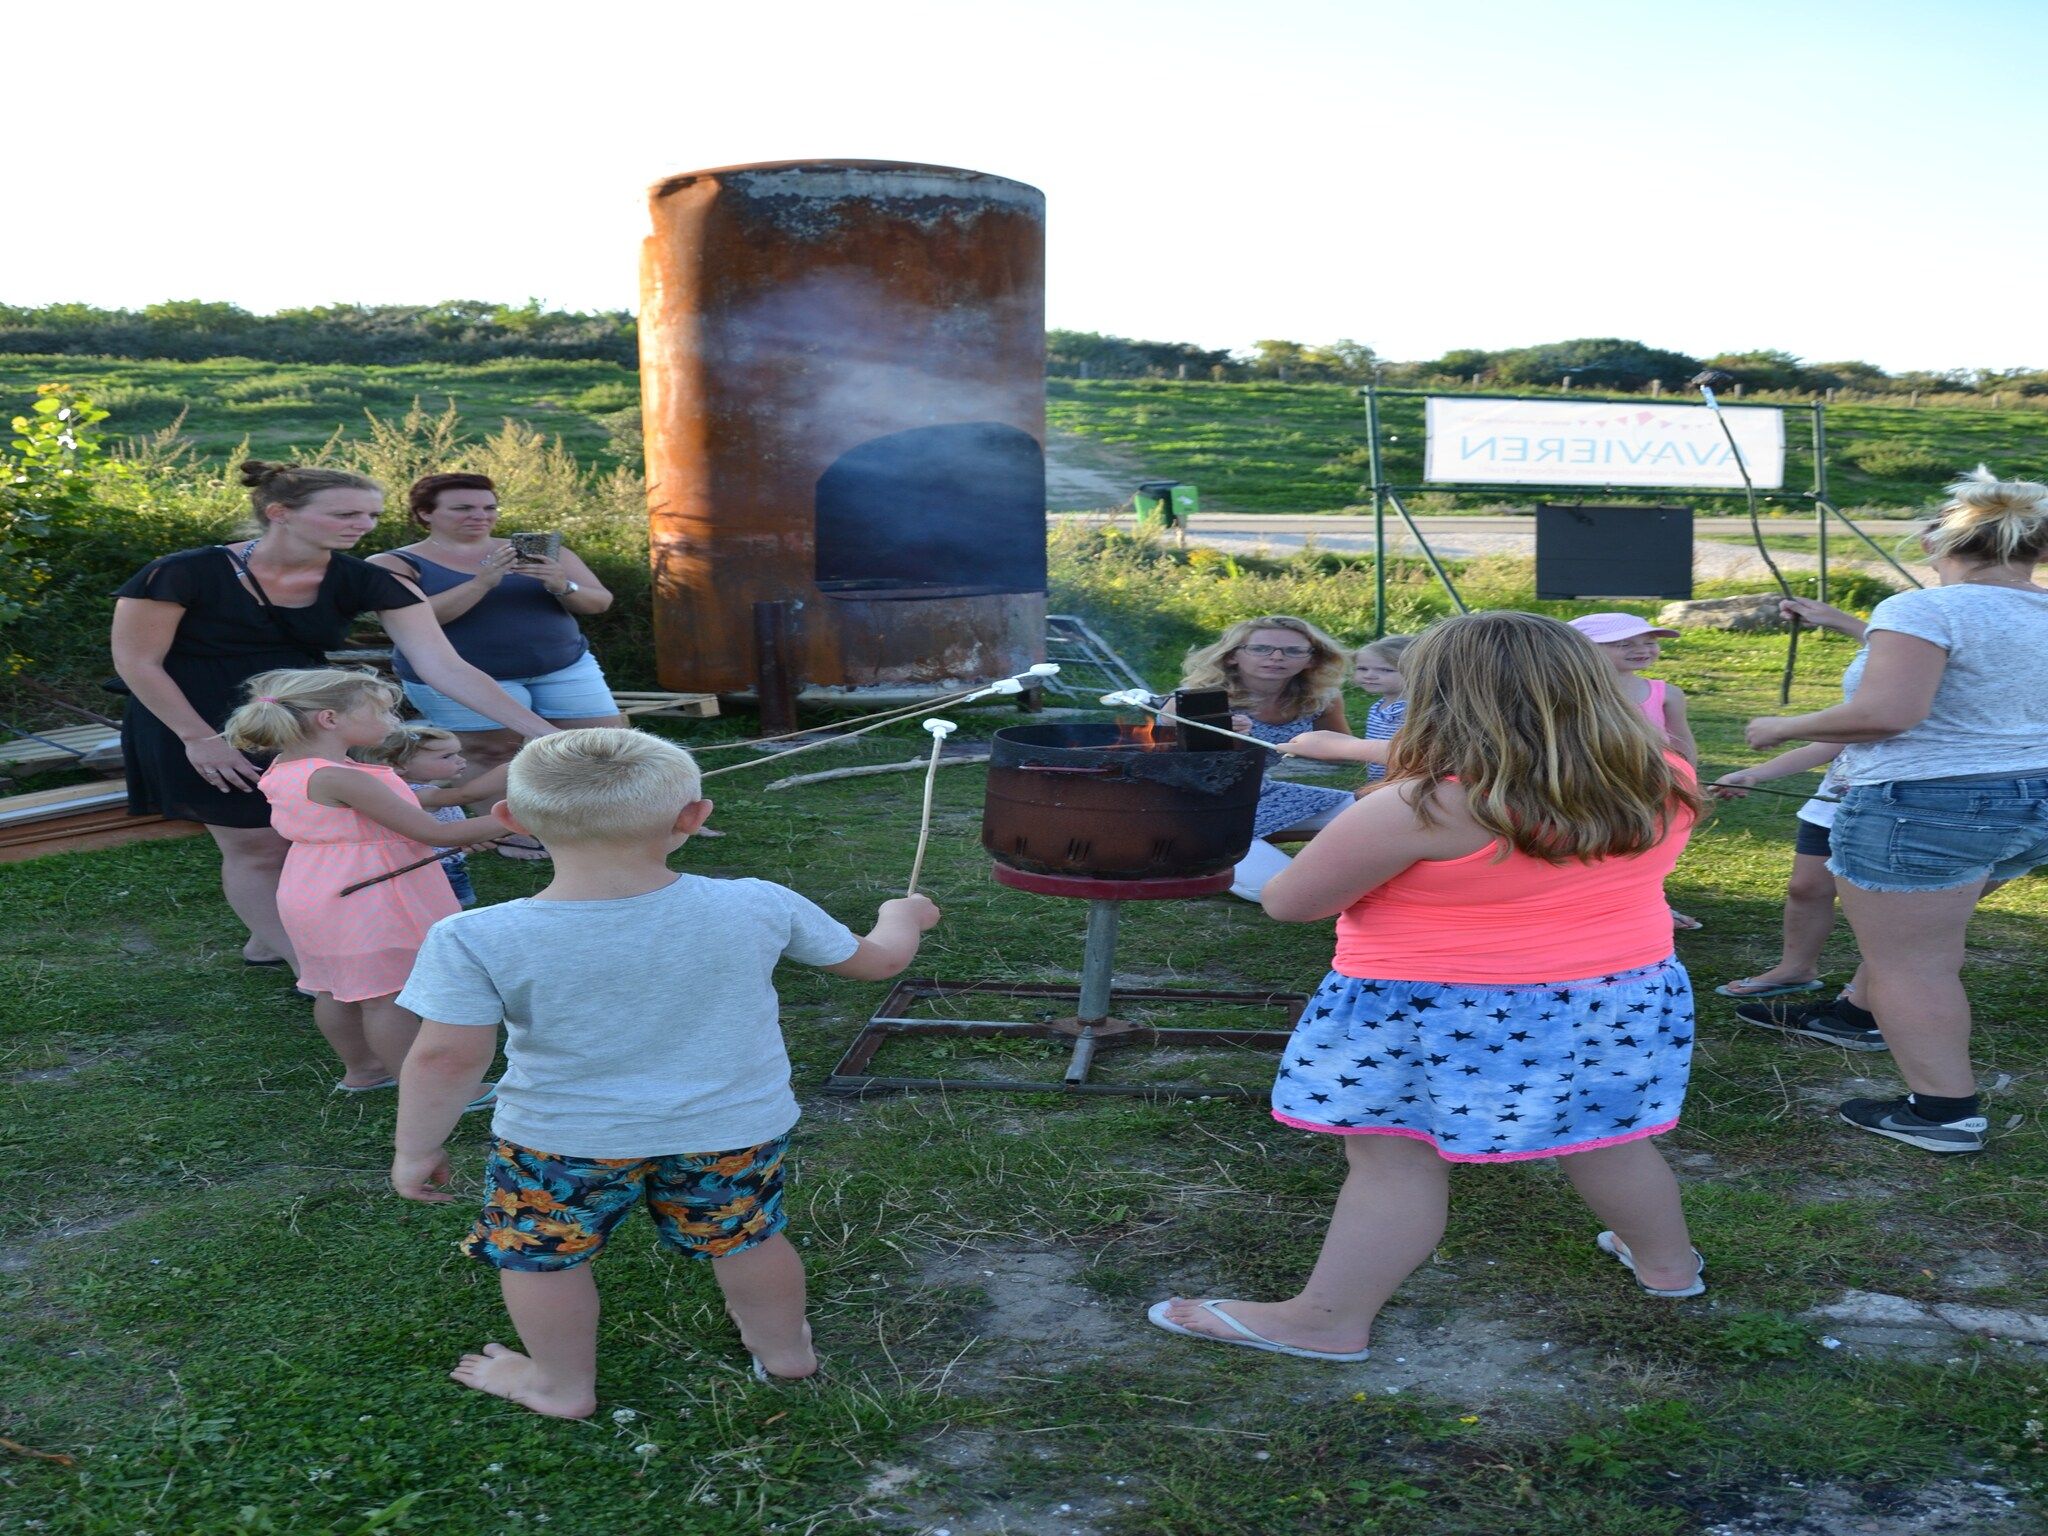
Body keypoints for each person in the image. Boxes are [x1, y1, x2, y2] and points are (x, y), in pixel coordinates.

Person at [1148, 612, 1706, 1363]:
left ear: (1443, 696)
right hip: (1617, 991)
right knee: (1610, 1136)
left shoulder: (1424, 805)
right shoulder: (1662, 774)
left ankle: (1325, 1321)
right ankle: (1669, 1267)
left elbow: (1290, 903)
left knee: (1397, 1157)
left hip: (1441, 1006)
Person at [388, 728, 941, 1418]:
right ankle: (784, 1351)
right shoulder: (757, 902)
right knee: (745, 1237)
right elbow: (880, 961)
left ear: (510, 820)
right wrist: (901, 915)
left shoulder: (474, 936)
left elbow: (446, 1057)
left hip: (561, 1140)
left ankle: (560, 1385)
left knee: (542, 1255)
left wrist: (416, 1147)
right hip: (731, 1128)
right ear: (693, 817)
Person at [110, 462, 558, 970]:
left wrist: (543, 733)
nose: (363, 526)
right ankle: (313, 971)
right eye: (346, 514)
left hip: (303, 720)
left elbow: (442, 664)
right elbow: (136, 662)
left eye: (372, 515)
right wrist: (199, 738)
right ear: (280, 513)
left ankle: (270, 938)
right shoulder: (181, 572)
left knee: (306, 836)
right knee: (256, 846)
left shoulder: (362, 579)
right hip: (191, 716)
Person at [1745, 469, 2048, 1155]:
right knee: (1917, 941)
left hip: (1927, 806)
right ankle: (1856, 1014)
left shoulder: (1922, 609)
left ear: (1935, 542)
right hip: (2034, 804)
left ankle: (1944, 1114)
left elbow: (1888, 713)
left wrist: (1782, 728)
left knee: (1916, 962)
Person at [223, 669, 509, 1098]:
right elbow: (435, 832)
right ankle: (432, 1092)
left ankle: (365, 1071)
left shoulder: (289, 766)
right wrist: (520, 817)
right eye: (382, 711)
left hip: (317, 885)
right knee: (388, 995)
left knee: (336, 987)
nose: (394, 720)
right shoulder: (341, 777)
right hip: (369, 893)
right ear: (330, 719)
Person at [367, 472, 623, 857]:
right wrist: (481, 582)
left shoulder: (541, 551)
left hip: (564, 667)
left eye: (489, 507)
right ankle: (508, 832)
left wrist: (561, 584)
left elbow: (599, 602)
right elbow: (417, 618)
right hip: (460, 677)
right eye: (463, 508)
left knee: (603, 744)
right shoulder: (394, 563)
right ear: (425, 513)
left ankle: (603, 821)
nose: (480, 515)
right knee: (490, 753)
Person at [1708, 597, 1870, 1005]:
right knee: (1805, 887)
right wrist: (1754, 774)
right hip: (1831, 806)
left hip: (1886, 808)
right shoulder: (1886, 661)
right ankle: (1796, 968)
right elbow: (1830, 744)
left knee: (1874, 904)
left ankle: (1872, 988)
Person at [1177, 615, 1354, 901]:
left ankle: (1252, 839)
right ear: (1233, 655)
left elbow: (1344, 750)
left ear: (1311, 659)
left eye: (1293, 651)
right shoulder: (1197, 698)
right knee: (1291, 893)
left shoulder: (1321, 698)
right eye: (1260, 649)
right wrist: (1223, 736)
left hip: (1262, 794)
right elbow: (1163, 759)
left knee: (1378, 810)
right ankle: (1195, 851)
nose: (1276, 657)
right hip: (1200, 808)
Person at [1571, 613, 1701, 930]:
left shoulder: (1666, 694)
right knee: (1590, 845)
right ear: (1582, 648)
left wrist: (1688, 785)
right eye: (1624, 643)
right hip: (1590, 786)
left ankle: (1651, 904)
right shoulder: (1572, 693)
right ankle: (1588, 904)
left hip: (1651, 788)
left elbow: (1683, 744)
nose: (1642, 649)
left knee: (1650, 848)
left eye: (1649, 641)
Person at [353, 724, 507, 908]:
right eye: (447, 756)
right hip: (435, 867)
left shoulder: (420, 789)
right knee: (448, 909)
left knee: (456, 907)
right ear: (398, 765)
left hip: (447, 862)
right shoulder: (413, 793)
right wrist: (510, 770)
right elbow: (466, 795)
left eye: (458, 753)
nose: (461, 760)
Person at [1351, 634, 1412, 783]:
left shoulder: (1408, 710)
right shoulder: (1379, 705)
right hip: (1379, 780)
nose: (1369, 675)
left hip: (1401, 782)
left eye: (1385, 670)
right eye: (1362, 668)